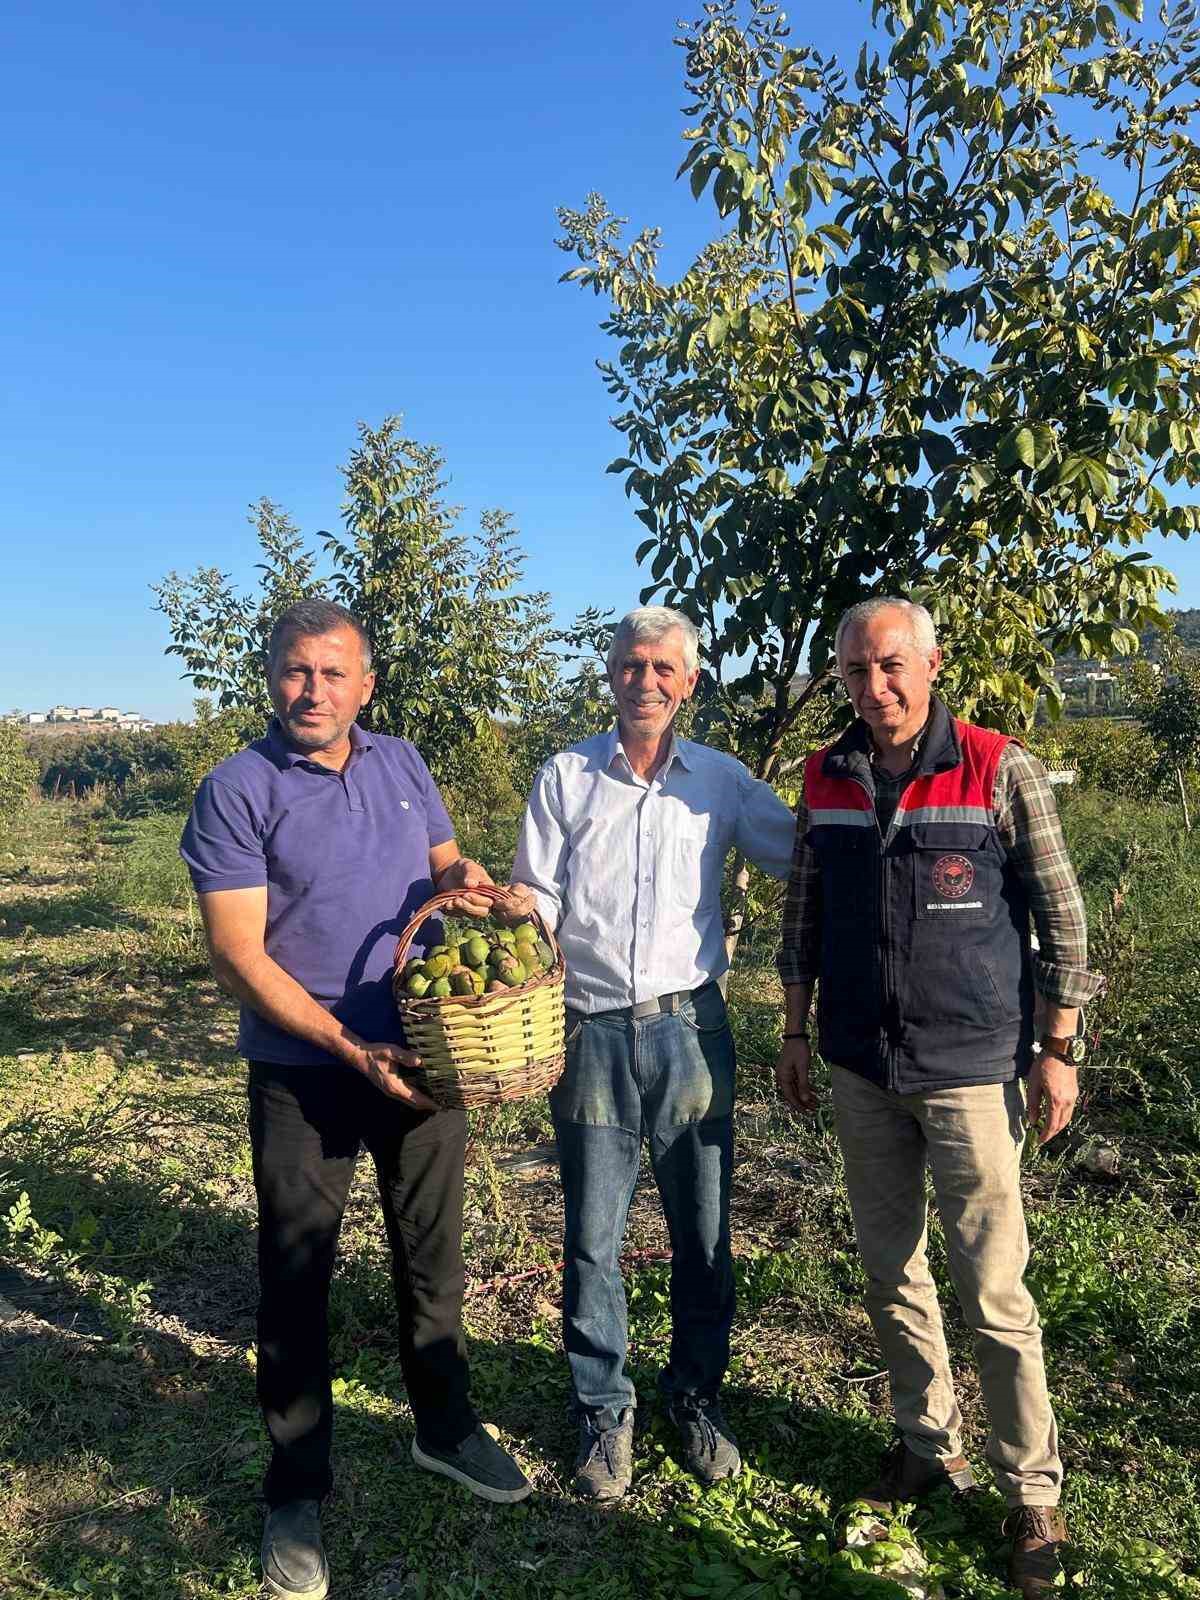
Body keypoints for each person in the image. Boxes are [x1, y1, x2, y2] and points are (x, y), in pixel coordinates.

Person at [180, 599, 529, 1600]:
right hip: (307, 1070)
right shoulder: (237, 789)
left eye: (334, 673)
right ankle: (295, 1484)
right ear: (270, 675)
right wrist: (343, 1042)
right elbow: (237, 952)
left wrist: (475, 883)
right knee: (297, 1273)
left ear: (365, 685)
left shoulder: (404, 762)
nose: (313, 690)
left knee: (435, 1253)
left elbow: (442, 868)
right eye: (296, 670)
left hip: (425, 1052)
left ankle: (446, 1426)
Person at [774, 597, 1102, 1599]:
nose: (875, 688)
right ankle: (927, 1443)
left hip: (969, 1067)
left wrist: (1059, 1047)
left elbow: (1064, 917)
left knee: (994, 1288)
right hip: (861, 1067)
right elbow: (802, 912)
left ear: (930, 662)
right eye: (855, 671)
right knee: (892, 1271)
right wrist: (793, 1027)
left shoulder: (1001, 767)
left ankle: (1030, 1490)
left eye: (892, 666)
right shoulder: (824, 775)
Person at [511, 605, 796, 1502]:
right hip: (589, 1028)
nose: (646, 681)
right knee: (592, 1236)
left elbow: (802, 852)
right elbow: (536, 898)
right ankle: (603, 1409)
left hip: (690, 1030)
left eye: (663, 668)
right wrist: (507, 925)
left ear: (691, 683)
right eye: (631, 665)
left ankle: (696, 1395)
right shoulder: (565, 776)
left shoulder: (719, 781)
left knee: (703, 1230)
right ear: (610, 675)